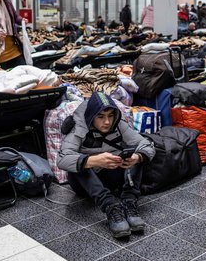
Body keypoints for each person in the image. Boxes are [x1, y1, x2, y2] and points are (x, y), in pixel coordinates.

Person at [58, 92, 155, 238]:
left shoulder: (119, 124)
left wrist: (137, 157)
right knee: (79, 162)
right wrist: (93, 160)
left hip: (112, 176)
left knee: (138, 154)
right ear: (91, 116)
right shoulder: (78, 127)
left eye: (110, 115)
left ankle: (129, 201)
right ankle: (110, 207)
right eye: (101, 116)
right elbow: (62, 159)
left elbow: (146, 144)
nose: (107, 122)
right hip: (86, 184)